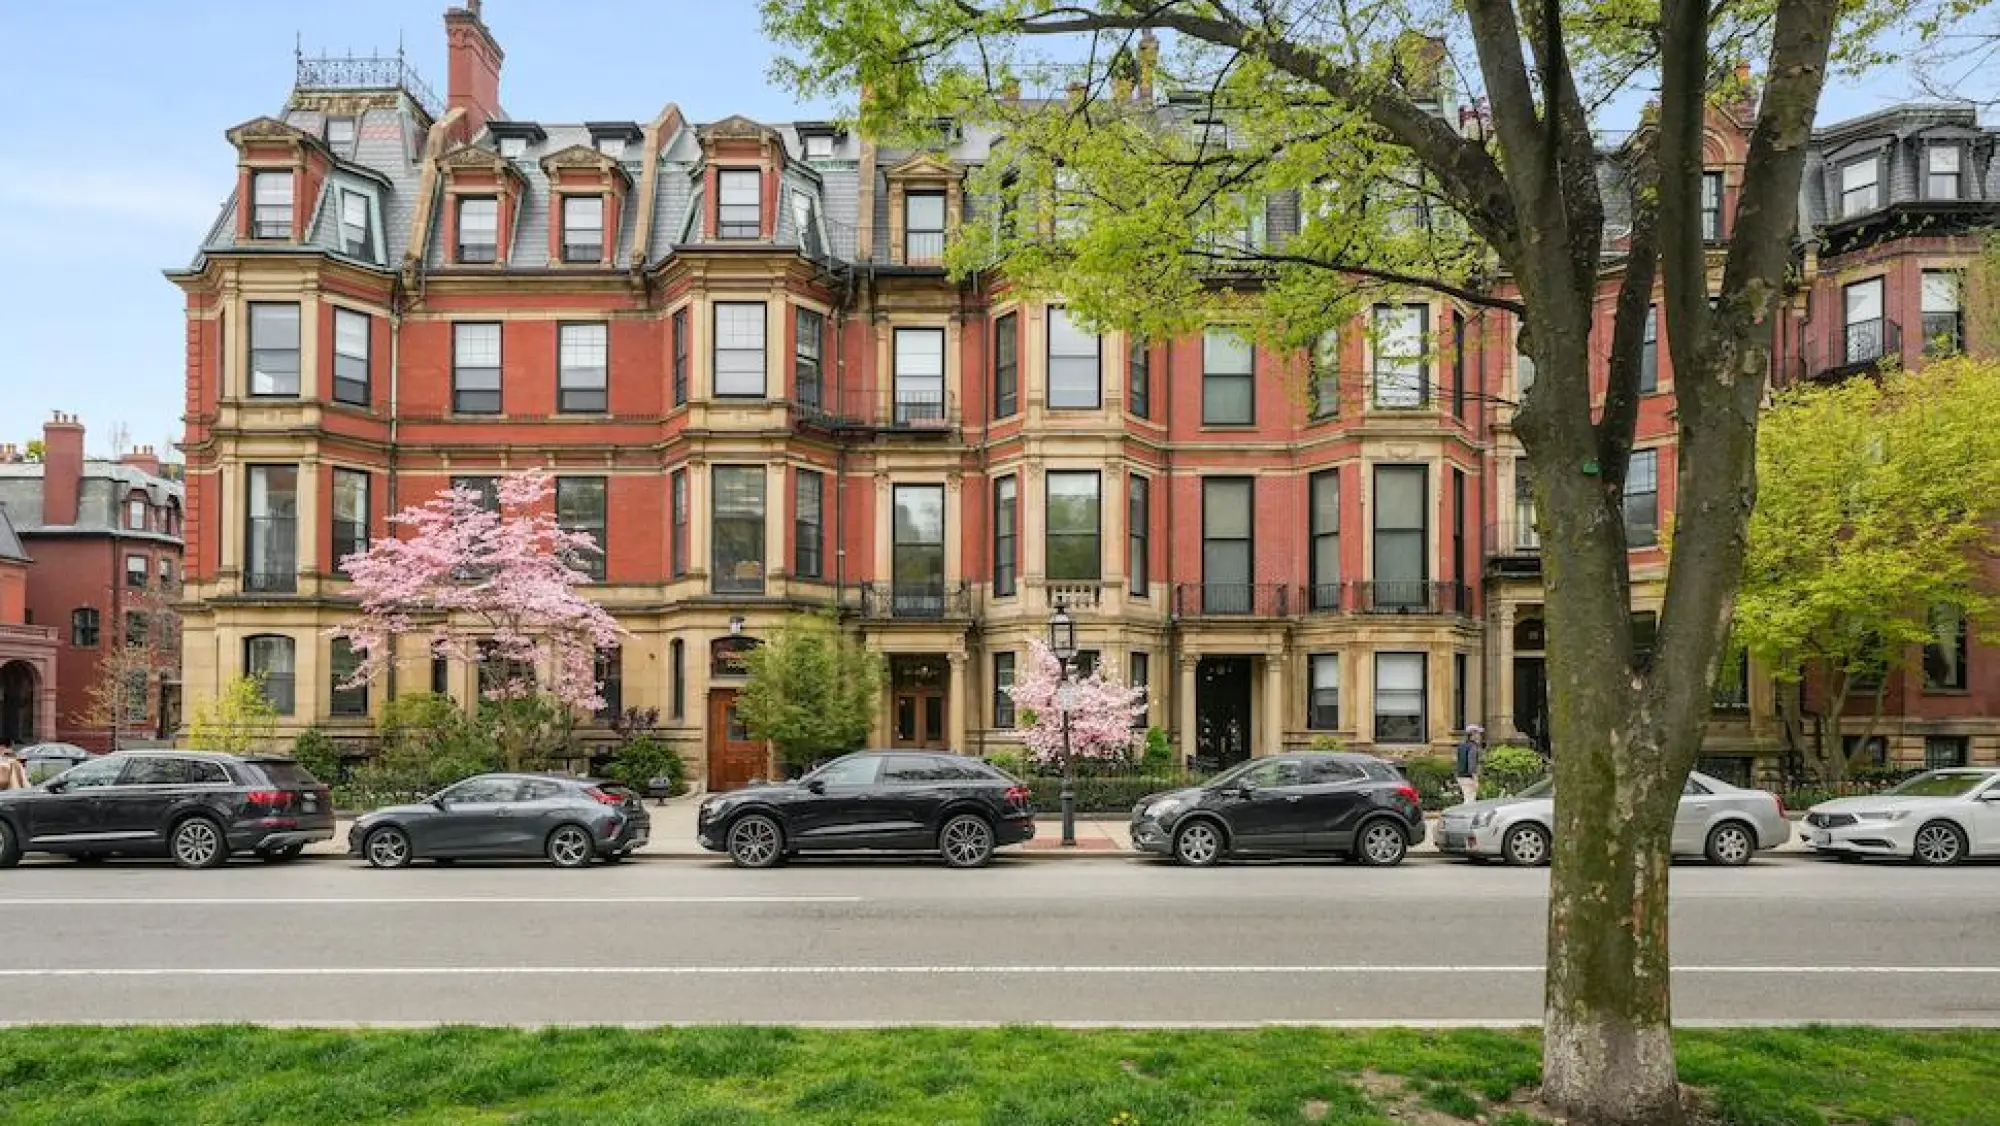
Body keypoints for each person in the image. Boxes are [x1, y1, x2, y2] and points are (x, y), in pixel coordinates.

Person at [1454, 726, 1485, 804]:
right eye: (1478, 734)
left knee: (1467, 797)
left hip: (1460, 775)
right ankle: (1466, 815)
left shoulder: (1461, 746)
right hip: (1469, 777)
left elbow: (1458, 761)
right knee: (1470, 800)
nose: (1479, 736)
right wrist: (1475, 778)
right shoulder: (1473, 747)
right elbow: (1471, 763)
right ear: (1472, 735)